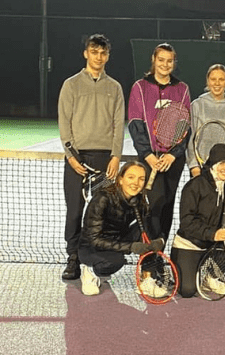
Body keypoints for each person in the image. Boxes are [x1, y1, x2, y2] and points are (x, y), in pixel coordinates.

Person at [58, 34, 125, 280]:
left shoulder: (115, 87)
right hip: (77, 160)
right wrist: (72, 157)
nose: (99, 57)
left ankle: (98, 258)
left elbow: (119, 124)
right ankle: (73, 259)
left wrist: (116, 156)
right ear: (86, 53)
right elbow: (64, 123)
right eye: (94, 51)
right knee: (75, 211)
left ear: (108, 56)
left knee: (102, 213)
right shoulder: (71, 84)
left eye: (103, 52)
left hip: (105, 160)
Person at [128, 43, 191, 244]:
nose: (165, 64)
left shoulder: (182, 89)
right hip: (149, 159)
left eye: (169, 61)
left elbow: (185, 126)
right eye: (161, 59)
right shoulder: (140, 87)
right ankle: (149, 257)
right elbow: (135, 123)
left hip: (173, 160)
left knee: (167, 205)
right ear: (154, 60)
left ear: (174, 63)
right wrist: (148, 155)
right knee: (152, 206)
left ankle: (160, 254)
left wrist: (173, 154)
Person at [78, 162, 165, 296]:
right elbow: (93, 239)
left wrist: (159, 240)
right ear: (120, 179)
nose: (136, 183)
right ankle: (90, 272)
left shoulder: (139, 201)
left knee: (152, 222)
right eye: (131, 177)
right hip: (91, 247)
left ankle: (147, 279)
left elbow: (151, 229)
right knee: (115, 261)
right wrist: (130, 247)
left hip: (117, 240)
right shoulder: (102, 198)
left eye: (141, 179)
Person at [171, 144, 225, 298]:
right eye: (221, 163)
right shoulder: (194, 186)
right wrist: (212, 234)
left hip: (212, 246)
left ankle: (209, 276)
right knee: (187, 291)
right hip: (189, 244)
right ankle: (193, 272)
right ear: (213, 165)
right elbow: (187, 222)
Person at [187, 64, 225, 177]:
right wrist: (194, 166)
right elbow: (190, 139)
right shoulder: (196, 105)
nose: (217, 83)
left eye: (221, 79)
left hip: (224, 171)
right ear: (208, 81)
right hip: (200, 169)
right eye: (213, 79)